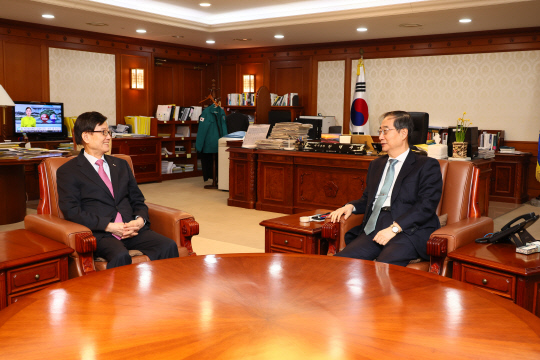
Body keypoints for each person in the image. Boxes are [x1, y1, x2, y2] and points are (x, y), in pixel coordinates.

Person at [57, 111, 179, 269]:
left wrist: (139, 221)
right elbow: (71, 211)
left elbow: (138, 200)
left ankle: (162, 292)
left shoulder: (120, 165)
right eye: (103, 132)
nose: (108, 137)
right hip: (101, 232)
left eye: (109, 132)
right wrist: (109, 226)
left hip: (131, 229)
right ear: (86, 137)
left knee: (168, 245)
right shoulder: (69, 171)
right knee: (120, 256)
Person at [329, 111, 442, 266]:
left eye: (386, 131)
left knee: (382, 267)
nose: (380, 137)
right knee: (339, 263)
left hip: (408, 230)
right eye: (380, 131)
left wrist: (395, 229)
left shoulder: (426, 166)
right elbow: (368, 198)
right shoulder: (376, 165)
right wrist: (351, 206)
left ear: (403, 133)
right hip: (375, 226)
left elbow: (425, 207)